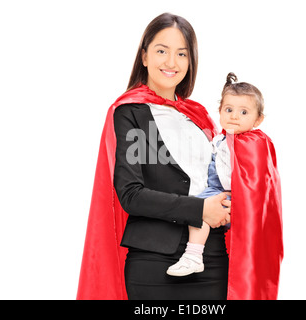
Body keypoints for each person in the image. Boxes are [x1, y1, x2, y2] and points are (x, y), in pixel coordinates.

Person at [77, 13, 231, 300]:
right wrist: (199, 211)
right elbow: (131, 195)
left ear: (191, 61)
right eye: (162, 51)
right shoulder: (130, 113)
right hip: (155, 262)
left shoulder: (201, 118)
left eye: (181, 54)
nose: (171, 62)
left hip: (213, 260)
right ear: (145, 56)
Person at [166, 72, 265, 277]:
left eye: (244, 112)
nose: (234, 116)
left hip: (228, 194)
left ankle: (193, 256)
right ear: (219, 111)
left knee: (197, 211)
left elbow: (251, 179)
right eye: (229, 110)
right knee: (192, 208)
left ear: (258, 119)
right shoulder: (220, 139)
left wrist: (235, 199)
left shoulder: (251, 143)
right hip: (215, 190)